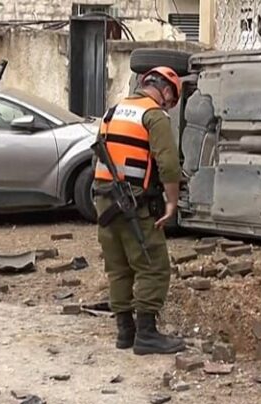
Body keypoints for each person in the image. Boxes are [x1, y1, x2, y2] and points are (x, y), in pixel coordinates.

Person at [93, 66, 185, 355]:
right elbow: (168, 163)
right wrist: (172, 201)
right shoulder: (153, 116)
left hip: (104, 201)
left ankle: (125, 332)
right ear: (166, 91)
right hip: (134, 203)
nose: (168, 106)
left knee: (118, 267)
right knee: (153, 265)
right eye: (171, 101)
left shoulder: (112, 112)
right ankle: (146, 334)